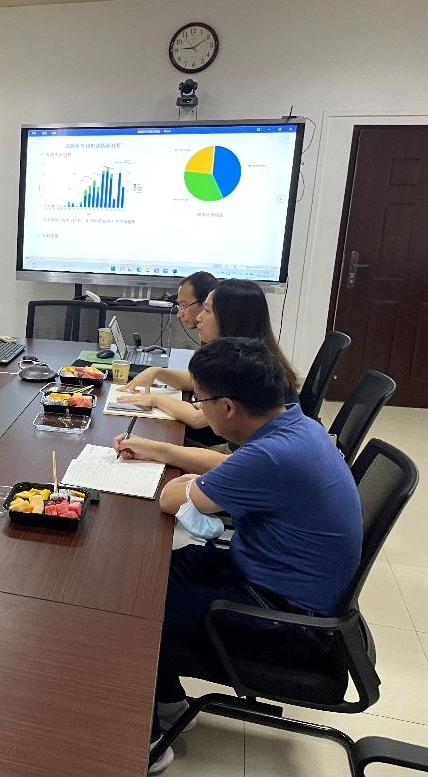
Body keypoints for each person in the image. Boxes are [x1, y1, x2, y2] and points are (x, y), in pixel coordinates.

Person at [144, 338, 361, 774]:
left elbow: (170, 499)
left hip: (286, 620)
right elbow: (208, 481)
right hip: (266, 578)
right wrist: (189, 479)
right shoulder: (297, 426)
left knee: (134, 613)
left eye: (200, 401)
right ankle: (169, 704)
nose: (198, 410)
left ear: (227, 407)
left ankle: (147, 745)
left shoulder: (271, 455)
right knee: (143, 578)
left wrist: (186, 483)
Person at [115, 279, 298, 465]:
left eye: (207, 311)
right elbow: (194, 381)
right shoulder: (250, 357)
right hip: (237, 453)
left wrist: (154, 399)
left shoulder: (247, 370)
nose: (199, 318)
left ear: (231, 318)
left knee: (157, 448)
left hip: (236, 457)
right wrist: (156, 372)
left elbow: (197, 420)